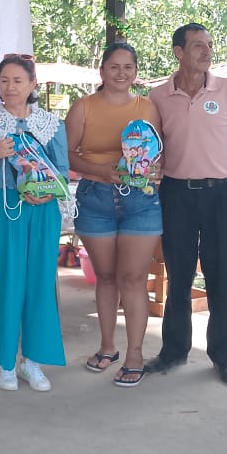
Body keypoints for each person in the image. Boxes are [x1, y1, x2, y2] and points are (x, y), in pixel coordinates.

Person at [145, 23, 227, 385]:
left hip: (221, 195)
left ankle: (225, 357)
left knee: (221, 276)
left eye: (209, 44)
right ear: (178, 52)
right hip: (176, 194)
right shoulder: (158, 96)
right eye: (197, 45)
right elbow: (151, 145)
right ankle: (173, 351)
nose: (206, 51)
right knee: (178, 276)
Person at [0, 53, 69, 392]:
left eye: (18, 81)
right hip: (5, 207)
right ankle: (6, 361)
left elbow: (62, 173)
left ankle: (32, 361)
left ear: (32, 84)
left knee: (40, 282)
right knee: (7, 282)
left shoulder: (51, 125)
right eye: (4, 80)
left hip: (43, 210)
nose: (10, 87)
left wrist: (47, 194)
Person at [64, 42, 163, 387]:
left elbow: (156, 152)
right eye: (114, 67)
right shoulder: (83, 107)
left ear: (135, 72)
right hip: (96, 199)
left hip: (141, 201)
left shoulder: (147, 107)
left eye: (128, 67)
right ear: (102, 71)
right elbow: (67, 155)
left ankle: (135, 354)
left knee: (133, 278)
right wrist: (100, 171)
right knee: (106, 277)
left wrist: (156, 167)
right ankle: (108, 347)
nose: (121, 73)